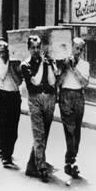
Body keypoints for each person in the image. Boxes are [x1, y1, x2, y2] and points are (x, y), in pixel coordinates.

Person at [21, 36, 58, 183]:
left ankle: (32, 165)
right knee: (39, 134)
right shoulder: (25, 65)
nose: (36, 50)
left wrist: (48, 64)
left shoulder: (48, 62)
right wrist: (43, 63)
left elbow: (52, 81)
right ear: (29, 49)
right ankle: (41, 168)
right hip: (35, 99)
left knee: (44, 133)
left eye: (38, 47)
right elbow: (35, 81)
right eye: (33, 48)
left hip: (49, 98)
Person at [57, 37, 89, 182]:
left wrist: (73, 69)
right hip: (65, 95)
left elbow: (84, 83)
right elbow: (58, 82)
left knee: (77, 129)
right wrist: (64, 68)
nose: (78, 51)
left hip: (78, 96)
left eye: (81, 49)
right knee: (69, 128)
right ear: (71, 48)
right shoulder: (63, 62)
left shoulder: (84, 64)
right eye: (76, 48)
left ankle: (72, 158)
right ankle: (70, 160)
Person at [0, 42, 22, 169]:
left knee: (14, 128)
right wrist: (8, 65)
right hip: (3, 95)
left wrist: (14, 66)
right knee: (2, 126)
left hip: (15, 96)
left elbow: (19, 82)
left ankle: (8, 152)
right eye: (0, 52)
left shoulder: (15, 63)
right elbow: (1, 76)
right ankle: (5, 154)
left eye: (5, 51)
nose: (3, 54)